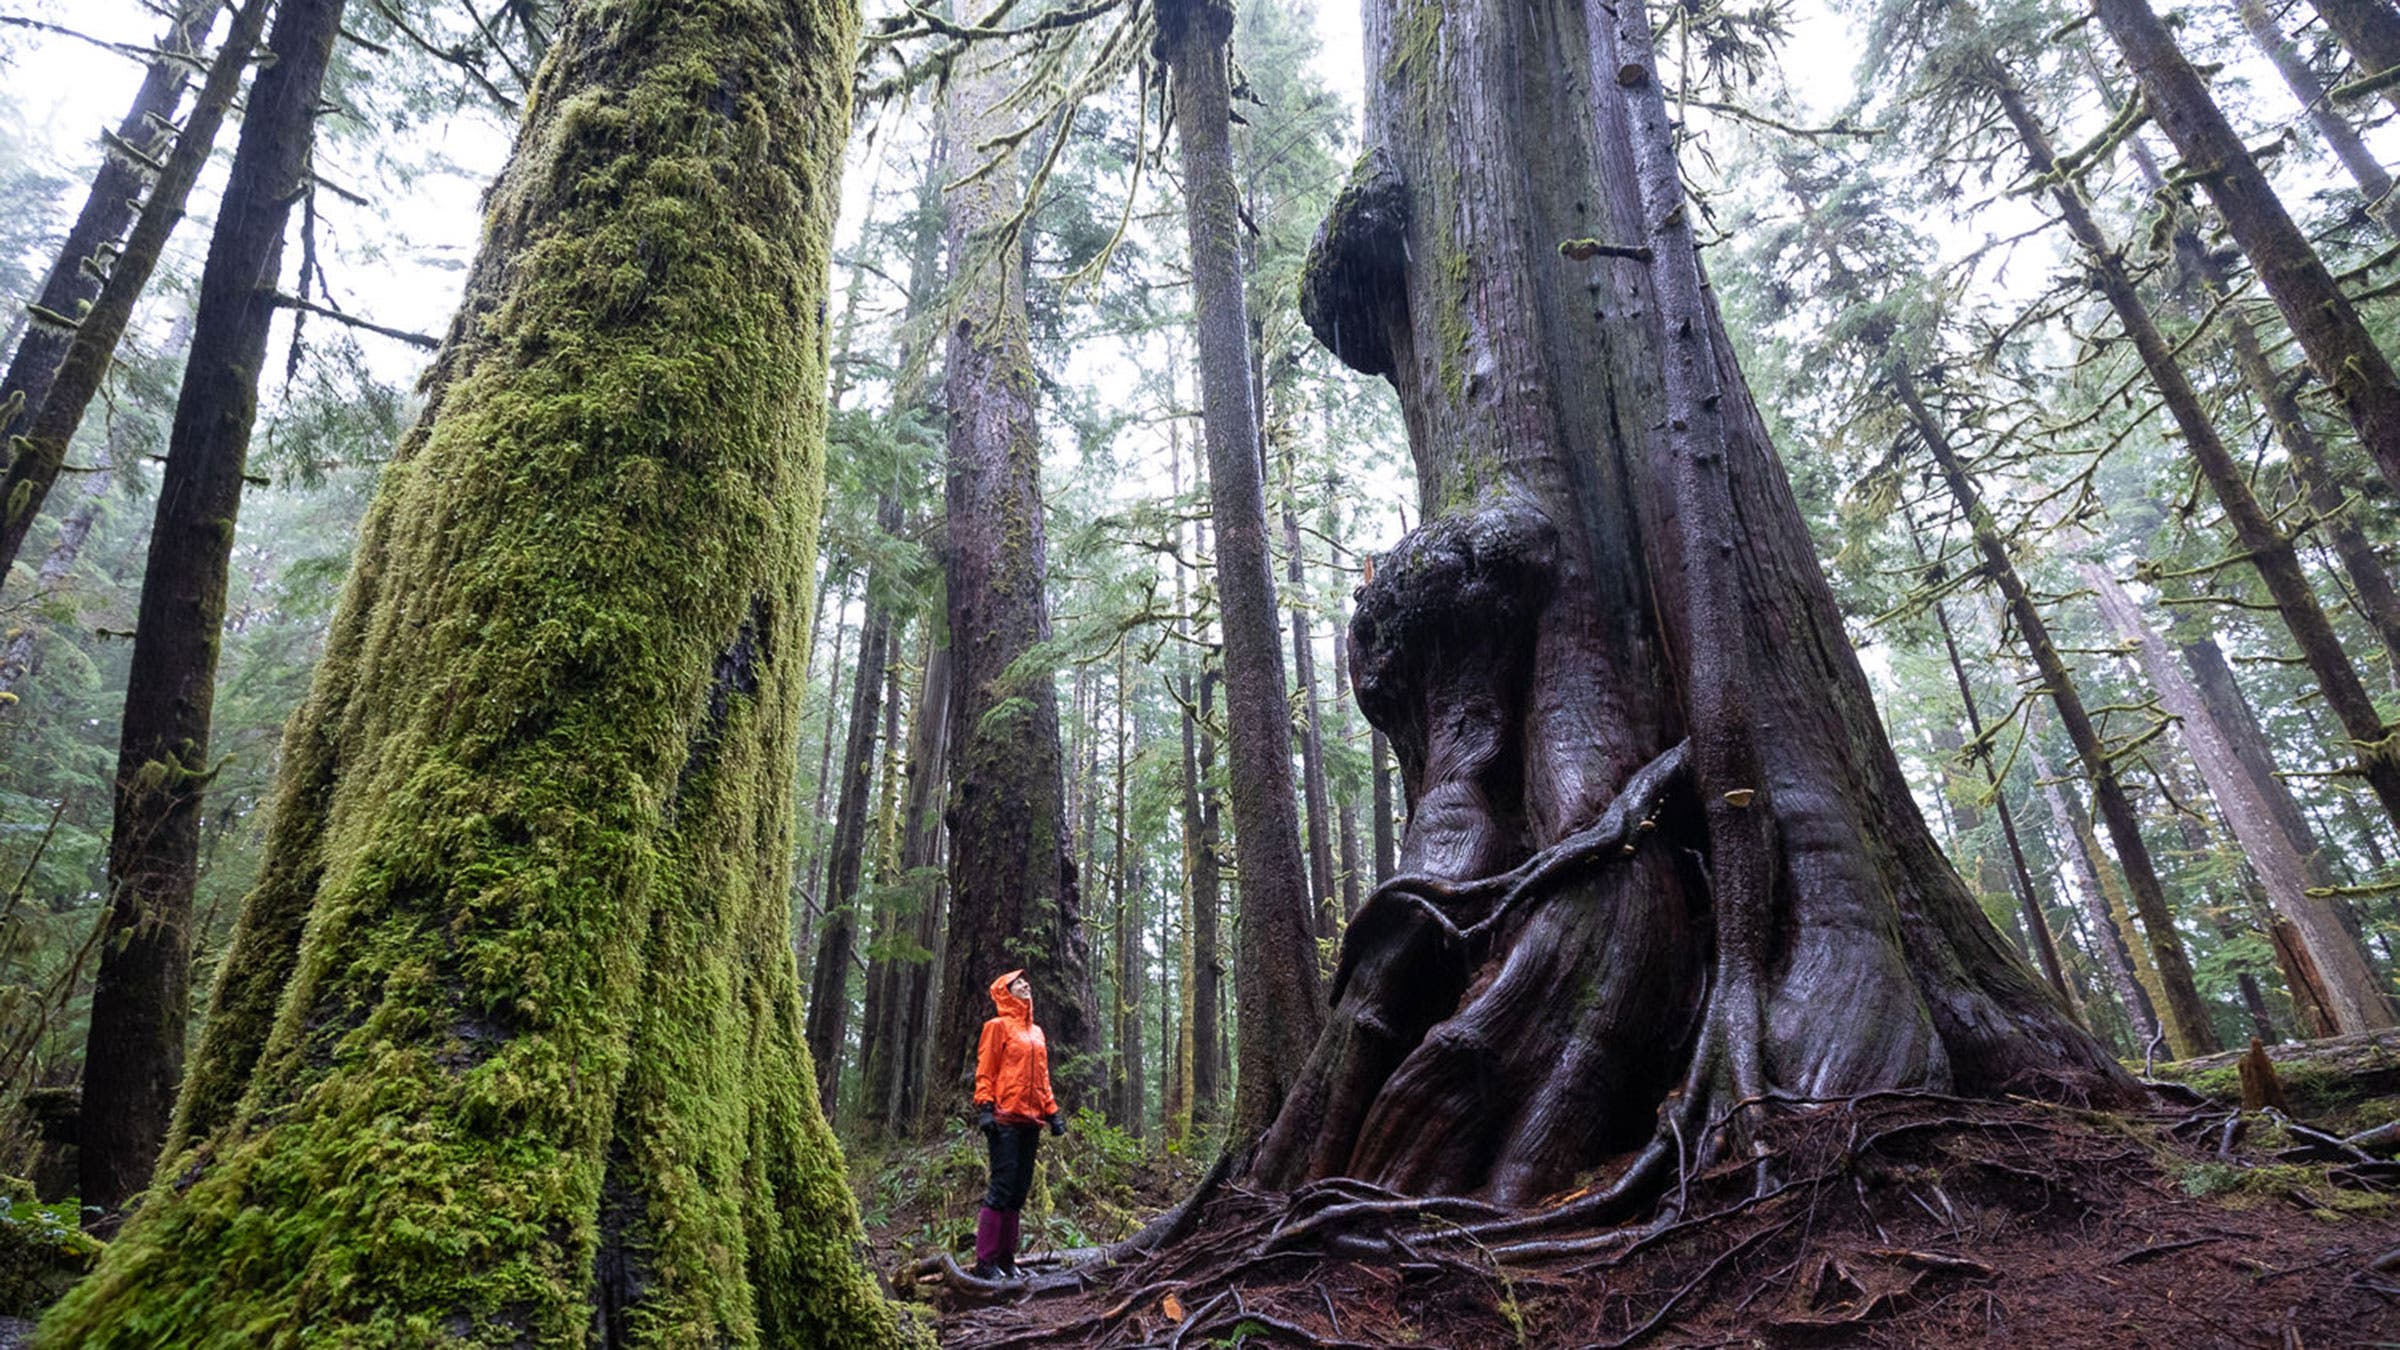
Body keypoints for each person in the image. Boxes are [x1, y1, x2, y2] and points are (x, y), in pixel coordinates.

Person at [971, 968, 1065, 1279]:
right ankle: (985, 1263)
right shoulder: (996, 1027)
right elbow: (986, 1069)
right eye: (1017, 983)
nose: (1025, 984)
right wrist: (985, 1107)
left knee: (1019, 1191)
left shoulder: (1036, 1033)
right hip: (1004, 1119)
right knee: (1001, 1187)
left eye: (1025, 980)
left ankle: (1007, 1262)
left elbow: (1043, 1078)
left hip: (1031, 1121)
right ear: (1005, 992)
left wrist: (1052, 1112)